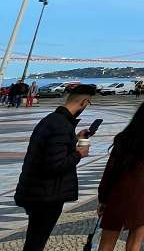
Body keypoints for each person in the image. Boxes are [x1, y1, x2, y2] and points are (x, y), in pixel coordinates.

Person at [14, 84, 96, 251]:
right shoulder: (61, 125)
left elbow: (52, 151)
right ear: (84, 101)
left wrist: (75, 138)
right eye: (89, 103)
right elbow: (56, 164)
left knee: (34, 240)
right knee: (36, 243)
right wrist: (79, 153)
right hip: (45, 195)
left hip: (37, 190)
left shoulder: (53, 120)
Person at [97, 97, 144, 251]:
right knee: (134, 244)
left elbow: (109, 170)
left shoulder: (124, 136)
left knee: (106, 244)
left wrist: (103, 198)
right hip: (143, 193)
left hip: (117, 192)